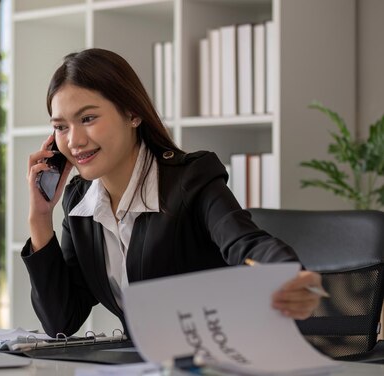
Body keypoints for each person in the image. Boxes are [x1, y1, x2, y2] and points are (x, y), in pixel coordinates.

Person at [23, 48, 322, 337]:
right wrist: (40, 219)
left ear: (132, 114)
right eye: (61, 127)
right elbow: (62, 320)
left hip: (222, 359)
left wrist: (287, 274)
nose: (74, 141)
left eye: (88, 119)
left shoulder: (191, 179)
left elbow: (245, 241)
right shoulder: (80, 202)